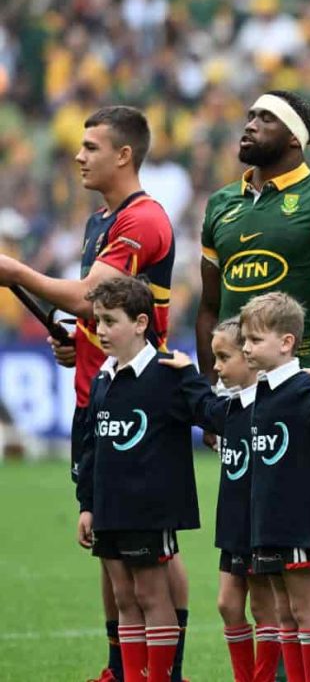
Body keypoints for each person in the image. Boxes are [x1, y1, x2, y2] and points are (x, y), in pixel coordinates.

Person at [0, 105, 186, 682]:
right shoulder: (97, 223)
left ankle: (165, 671)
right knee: (109, 548)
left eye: (90, 146)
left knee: (151, 550)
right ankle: (119, 667)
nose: (78, 156)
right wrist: (78, 345)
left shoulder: (144, 221)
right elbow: (99, 315)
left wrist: (15, 271)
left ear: (123, 154)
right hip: (96, 395)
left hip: (140, 404)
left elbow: (88, 296)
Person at [198, 90, 310, 630]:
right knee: (260, 536)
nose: (249, 125)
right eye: (249, 115)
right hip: (242, 394)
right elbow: (209, 305)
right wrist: (211, 395)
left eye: (265, 118)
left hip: (306, 387)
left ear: (295, 138)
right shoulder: (221, 203)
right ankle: (284, 661)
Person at [74, 277, 212, 682]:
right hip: (109, 508)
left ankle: (164, 676)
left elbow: (213, 415)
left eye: (109, 321)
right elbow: (92, 446)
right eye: (97, 321)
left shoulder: (169, 373)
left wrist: (192, 376)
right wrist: (87, 504)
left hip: (151, 509)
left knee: (152, 595)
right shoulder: (104, 377)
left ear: (139, 323)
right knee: (123, 597)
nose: (100, 330)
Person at [240, 292, 310, 682]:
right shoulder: (262, 394)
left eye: (254, 340)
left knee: (305, 611)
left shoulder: (308, 393)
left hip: (301, 523)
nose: (246, 348)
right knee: (283, 611)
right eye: (245, 340)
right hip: (266, 522)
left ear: (286, 343)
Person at [208, 319, 281, 682]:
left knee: (263, 606)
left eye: (224, 357)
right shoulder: (229, 407)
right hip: (233, 520)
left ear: (250, 357)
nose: (217, 367)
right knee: (228, 604)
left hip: (261, 522)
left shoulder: (268, 406)